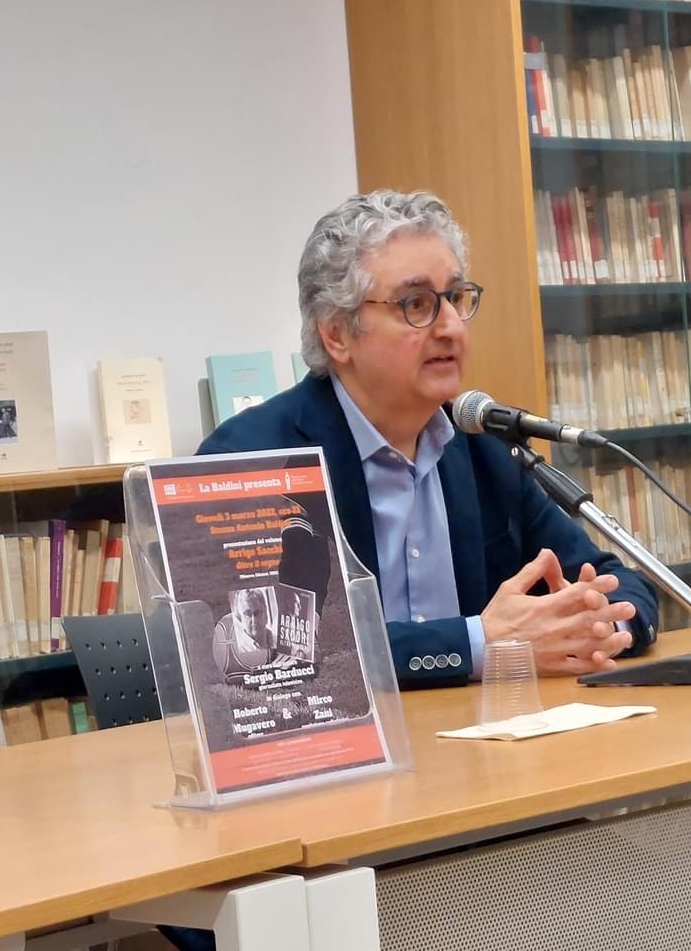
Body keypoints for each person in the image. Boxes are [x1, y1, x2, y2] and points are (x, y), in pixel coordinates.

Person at [198, 189, 657, 688]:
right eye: (417, 304)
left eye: (456, 298)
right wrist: (478, 643)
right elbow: (267, 650)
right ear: (337, 334)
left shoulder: (485, 447)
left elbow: (617, 582)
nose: (451, 327)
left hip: (481, 727)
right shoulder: (253, 460)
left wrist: (597, 627)